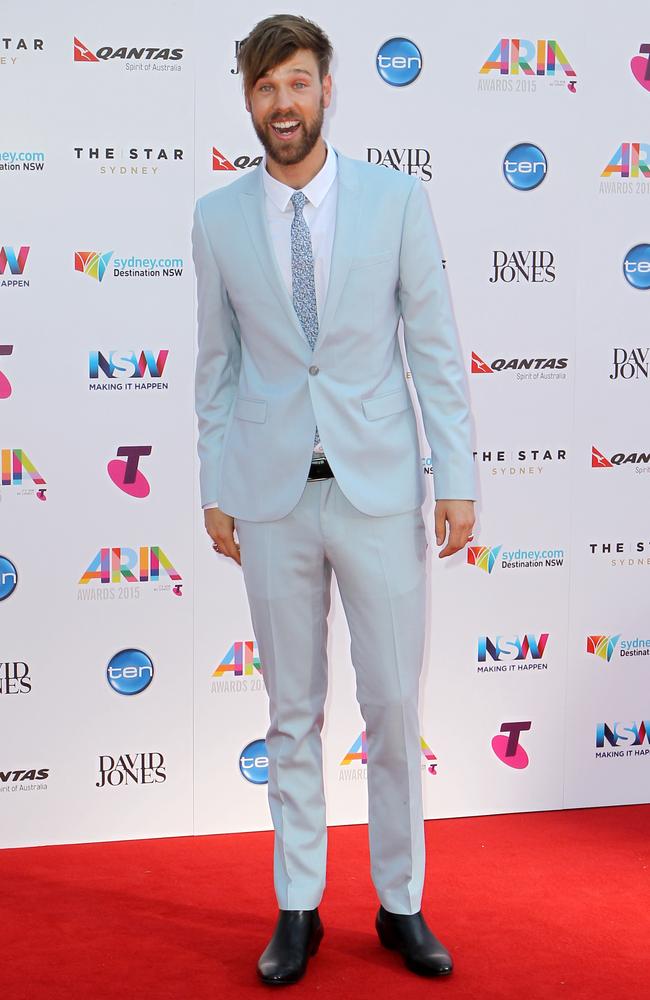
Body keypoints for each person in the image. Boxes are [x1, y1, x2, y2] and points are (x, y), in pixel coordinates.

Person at [192, 14, 476, 985]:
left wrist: (459, 477)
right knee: (291, 711)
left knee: (393, 704)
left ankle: (399, 905)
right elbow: (216, 367)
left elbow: (432, 348)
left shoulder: (395, 202)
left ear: (326, 89)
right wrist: (214, 485)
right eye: (266, 87)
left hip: (379, 491)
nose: (283, 103)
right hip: (270, 498)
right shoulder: (217, 218)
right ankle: (298, 908)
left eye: (299, 82)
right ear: (246, 98)